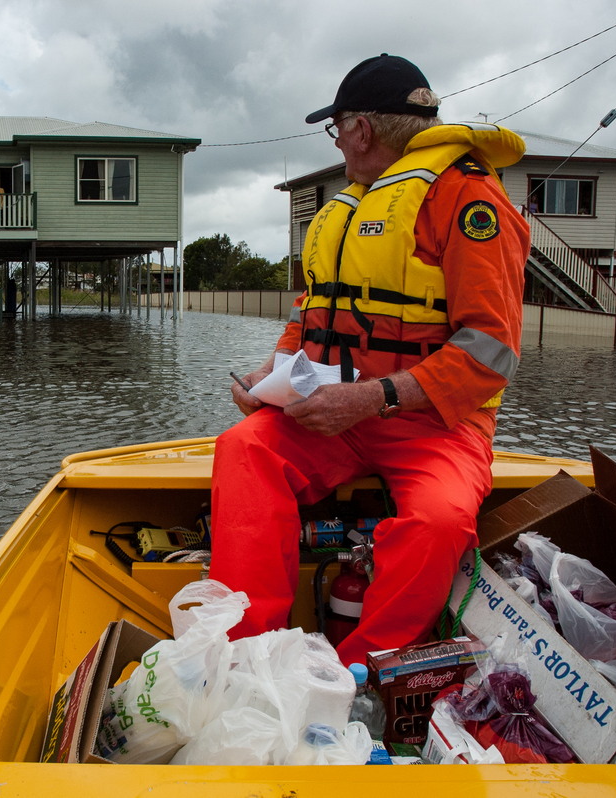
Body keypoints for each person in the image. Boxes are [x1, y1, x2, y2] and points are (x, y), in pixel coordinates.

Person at [210, 54, 531, 667]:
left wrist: (376, 398)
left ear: (360, 129)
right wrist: (269, 375)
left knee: (438, 521)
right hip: (335, 411)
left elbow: (491, 351)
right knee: (244, 450)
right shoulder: (351, 207)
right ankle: (247, 657)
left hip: (436, 424)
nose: (339, 144)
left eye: (336, 130)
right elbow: (311, 314)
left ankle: (361, 676)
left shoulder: (469, 199)